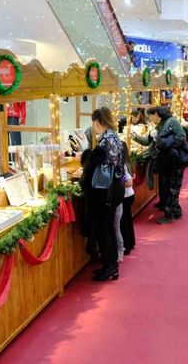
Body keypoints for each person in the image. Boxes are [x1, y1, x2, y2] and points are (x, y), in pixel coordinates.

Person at [80, 107, 125, 281]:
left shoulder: (106, 141)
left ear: (98, 122)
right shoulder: (113, 137)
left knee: (103, 230)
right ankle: (110, 265)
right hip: (114, 188)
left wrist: (88, 160)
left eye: (93, 123)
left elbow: (101, 167)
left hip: (105, 191)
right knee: (107, 229)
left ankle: (110, 266)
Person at [141, 106, 188, 223]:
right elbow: (150, 141)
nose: (150, 119)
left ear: (157, 114)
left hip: (175, 160)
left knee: (173, 187)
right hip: (169, 160)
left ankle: (170, 214)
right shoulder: (161, 124)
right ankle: (176, 211)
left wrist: (165, 144)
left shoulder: (171, 122)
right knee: (170, 186)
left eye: (151, 116)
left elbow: (181, 137)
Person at [120, 142, 136, 255]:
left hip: (125, 195)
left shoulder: (122, 164)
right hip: (129, 195)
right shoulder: (128, 161)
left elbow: (129, 182)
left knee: (123, 221)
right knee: (127, 220)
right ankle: (131, 242)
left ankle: (126, 245)